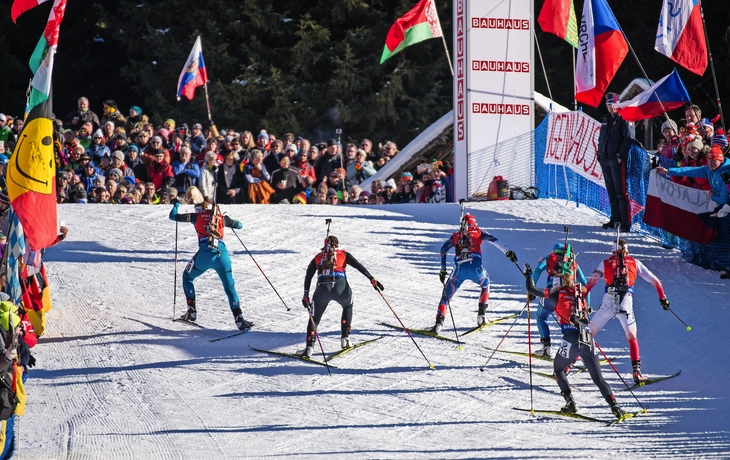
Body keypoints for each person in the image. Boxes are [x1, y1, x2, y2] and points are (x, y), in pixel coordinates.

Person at [524, 262, 626, 419]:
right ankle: (616, 407)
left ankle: (570, 403)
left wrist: (529, 275)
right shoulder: (579, 293)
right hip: (587, 339)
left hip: (570, 339)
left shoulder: (556, 293)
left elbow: (532, 290)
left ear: (560, 279)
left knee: (558, 370)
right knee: (598, 379)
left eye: (556, 277)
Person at [583, 239, 670, 384]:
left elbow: (591, 283)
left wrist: (581, 299)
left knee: (588, 333)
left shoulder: (605, 263)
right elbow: (656, 282)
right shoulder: (634, 262)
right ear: (627, 250)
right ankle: (637, 372)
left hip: (608, 300)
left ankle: (568, 365)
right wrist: (663, 299)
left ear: (612, 251)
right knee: (632, 337)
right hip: (625, 302)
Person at [168, 188, 254, 331]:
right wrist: (225, 219)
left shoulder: (195, 217)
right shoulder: (219, 217)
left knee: (187, 278)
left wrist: (176, 204)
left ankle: (191, 311)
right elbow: (239, 225)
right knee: (229, 287)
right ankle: (239, 319)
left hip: (205, 254)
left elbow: (173, 216)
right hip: (222, 255)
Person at [431, 213, 517, 333]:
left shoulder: (456, 235)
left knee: (446, 296)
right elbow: (494, 240)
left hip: (459, 270)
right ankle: (481, 316)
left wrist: (443, 269)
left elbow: (443, 249)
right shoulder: (479, 231)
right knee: (485, 283)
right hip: (476, 269)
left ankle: (438, 324)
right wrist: (507, 252)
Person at [299, 235, 383, 357]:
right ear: (337, 244)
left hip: (322, 290)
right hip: (341, 288)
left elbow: (308, 275)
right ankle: (345, 338)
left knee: (314, 317)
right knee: (348, 305)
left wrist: (306, 294)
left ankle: (309, 347)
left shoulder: (317, 258)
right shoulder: (344, 254)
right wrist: (371, 279)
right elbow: (358, 266)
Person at [530, 242, 590, 357]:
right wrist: (586, 307)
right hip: (569, 298)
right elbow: (585, 284)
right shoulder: (573, 263)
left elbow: (538, 270)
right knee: (574, 324)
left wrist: (531, 289)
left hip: (551, 294)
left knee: (541, 317)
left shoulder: (549, 258)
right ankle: (582, 353)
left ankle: (546, 348)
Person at [597, 92, 635, 232]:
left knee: (621, 191)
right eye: (609, 104)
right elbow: (602, 138)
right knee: (611, 191)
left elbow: (629, 138)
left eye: (613, 104)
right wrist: (599, 154)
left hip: (617, 160)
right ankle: (615, 219)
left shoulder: (624, 118)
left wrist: (620, 155)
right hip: (605, 159)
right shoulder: (605, 120)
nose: (611, 107)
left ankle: (625, 222)